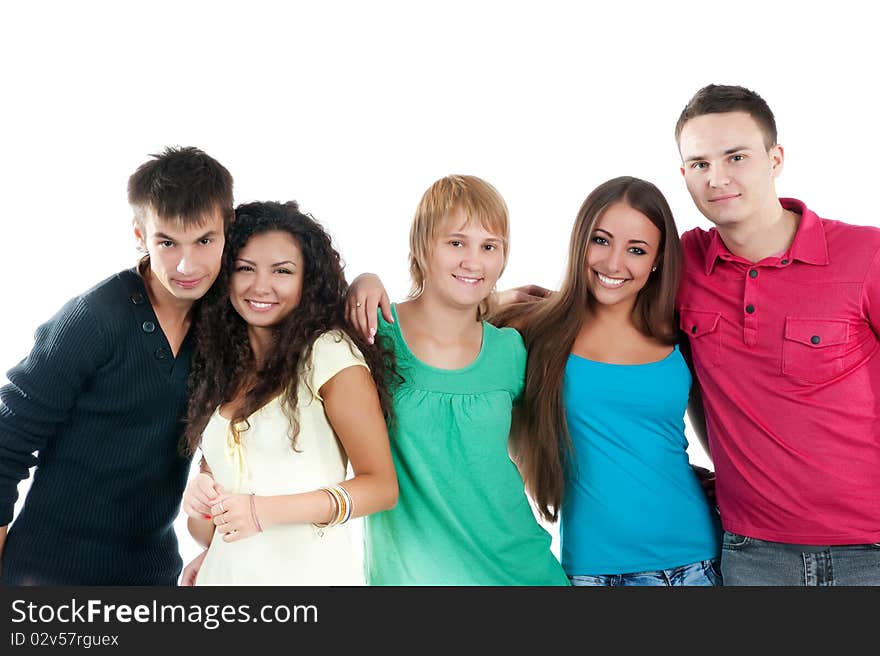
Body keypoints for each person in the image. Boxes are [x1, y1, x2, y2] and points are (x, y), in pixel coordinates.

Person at [353, 177, 721, 586]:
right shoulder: (538, 333)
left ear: (657, 260)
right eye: (601, 241)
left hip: (696, 559)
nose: (614, 263)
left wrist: (724, 481)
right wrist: (364, 280)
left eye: (636, 250)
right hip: (595, 569)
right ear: (579, 241)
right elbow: (454, 314)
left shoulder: (680, 335)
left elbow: (721, 424)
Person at [673, 84, 880, 585]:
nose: (717, 178)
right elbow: (597, 290)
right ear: (683, 174)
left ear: (775, 158)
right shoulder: (681, 265)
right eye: (699, 164)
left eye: (736, 157)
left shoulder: (865, 255)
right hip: (753, 552)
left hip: (871, 548)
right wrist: (496, 300)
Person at [0, 146, 233, 585]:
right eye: (168, 242)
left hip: (151, 574)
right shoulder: (94, 318)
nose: (187, 265)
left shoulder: (225, 318)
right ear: (140, 236)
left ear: (227, 231)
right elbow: (5, 443)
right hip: (46, 577)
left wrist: (365, 284)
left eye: (204, 240)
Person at [352, 175, 568, 585]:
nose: (474, 261)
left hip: (521, 570)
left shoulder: (511, 350)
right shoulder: (374, 336)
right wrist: (361, 278)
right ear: (421, 246)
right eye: (456, 243)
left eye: (489, 247)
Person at [177, 201, 397, 585]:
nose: (261, 286)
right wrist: (198, 501)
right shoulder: (220, 368)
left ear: (307, 281)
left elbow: (380, 488)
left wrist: (265, 512)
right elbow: (210, 531)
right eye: (245, 268)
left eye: (282, 271)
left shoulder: (328, 354)